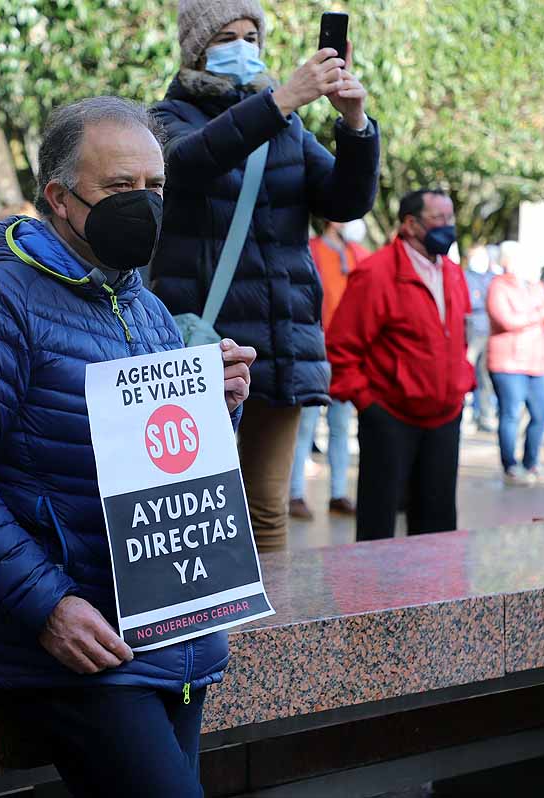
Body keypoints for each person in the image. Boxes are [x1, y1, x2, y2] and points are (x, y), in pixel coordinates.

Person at [0, 96, 257, 798]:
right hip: (82, 650)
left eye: (154, 188)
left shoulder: (146, 307)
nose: (143, 204)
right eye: (119, 188)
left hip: (176, 636)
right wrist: (47, 606)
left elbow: (169, 459)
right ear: (59, 198)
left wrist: (219, 407)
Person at [149, 0, 380, 551]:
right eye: (226, 36)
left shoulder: (288, 126)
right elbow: (192, 163)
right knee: (198, 516)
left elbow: (345, 202)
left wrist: (354, 122)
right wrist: (280, 102)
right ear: (196, 48)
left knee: (265, 511)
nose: (243, 46)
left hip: (280, 346)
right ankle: (201, 633)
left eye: (252, 34)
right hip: (205, 347)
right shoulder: (164, 118)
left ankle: (267, 638)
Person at [328, 189, 474, 541]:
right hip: (390, 418)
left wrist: (462, 384)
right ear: (410, 224)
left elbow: (457, 336)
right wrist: (369, 404)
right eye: (439, 219)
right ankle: (372, 596)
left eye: (450, 218)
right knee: (379, 528)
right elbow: (341, 347)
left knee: (438, 529)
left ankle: (437, 596)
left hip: (444, 417)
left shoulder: (453, 273)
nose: (449, 227)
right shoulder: (376, 273)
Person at [289, 218, 369, 520]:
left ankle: (338, 493)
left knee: (341, 426)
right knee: (305, 426)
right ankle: (295, 493)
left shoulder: (359, 255)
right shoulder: (311, 251)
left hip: (346, 355)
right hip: (315, 351)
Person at [485, 241, 544, 486]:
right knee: (511, 414)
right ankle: (510, 466)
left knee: (542, 413)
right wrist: (543, 312)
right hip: (508, 362)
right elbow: (508, 321)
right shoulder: (498, 287)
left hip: (536, 362)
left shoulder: (536, 285)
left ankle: (532, 463)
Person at [464, 245, 496, 432]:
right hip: (471, 332)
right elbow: (471, 302)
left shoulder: (492, 278)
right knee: (467, 372)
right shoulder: (466, 277)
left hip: (489, 333)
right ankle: (466, 412)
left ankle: (485, 414)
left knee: (485, 378)